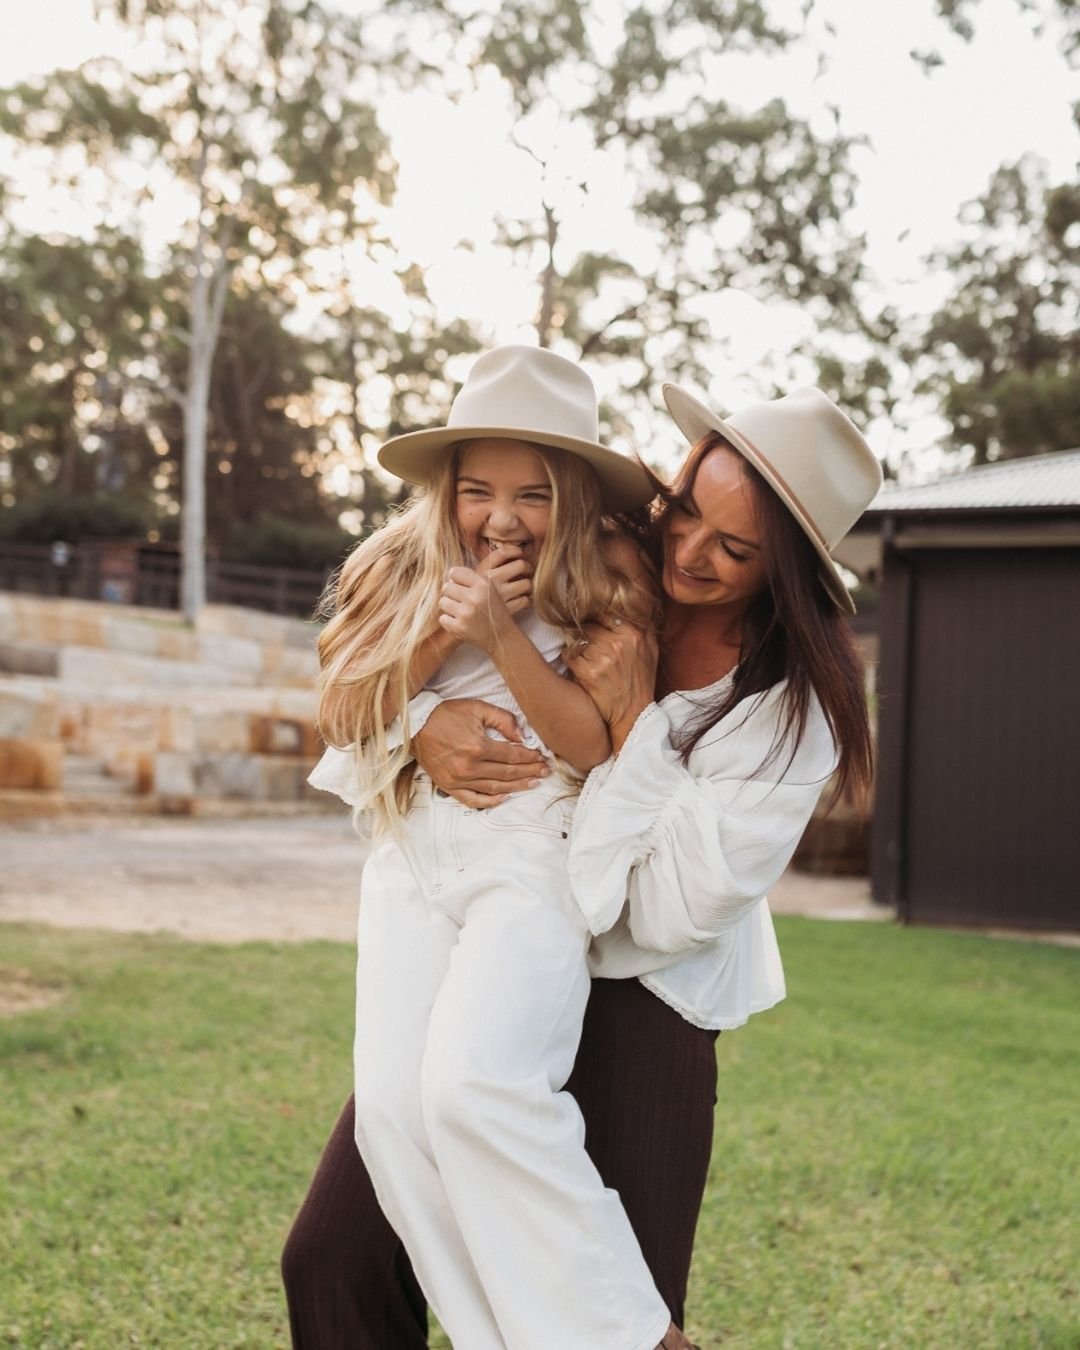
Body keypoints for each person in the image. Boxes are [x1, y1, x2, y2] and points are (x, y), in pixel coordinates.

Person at [283, 377, 883, 1348]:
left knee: (605, 1291)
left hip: (646, 985)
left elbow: (669, 913)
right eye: (687, 510)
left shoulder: (788, 712)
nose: (688, 550)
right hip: (489, 934)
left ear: (789, 570)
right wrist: (424, 727)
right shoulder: (592, 542)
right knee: (336, 1255)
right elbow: (365, 700)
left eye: (733, 549)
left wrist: (634, 725)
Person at [306, 344, 691, 1350]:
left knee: (474, 1087)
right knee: (393, 1117)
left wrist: (507, 635)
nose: (503, 516)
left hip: (530, 852)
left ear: (571, 495)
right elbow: (345, 711)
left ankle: (630, 1336)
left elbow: (595, 745)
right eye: (478, 489)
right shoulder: (396, 561)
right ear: (448, 487)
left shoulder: (610, 573)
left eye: (531, 493)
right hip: (412, 857)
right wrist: (441, 641)